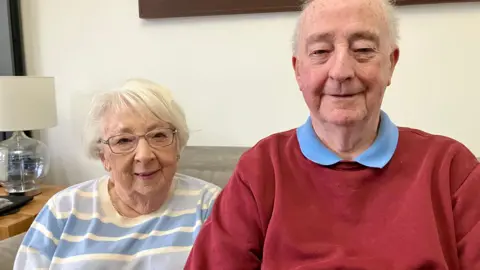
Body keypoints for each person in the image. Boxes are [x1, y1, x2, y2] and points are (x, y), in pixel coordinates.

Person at [185, 0, 480, 269]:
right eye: (321, 52)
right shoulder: (261, 169)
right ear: (298, 70)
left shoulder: (452, 169)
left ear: (391, 64)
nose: (341, 71)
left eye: (363, 50)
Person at [13, 79, 221, 269]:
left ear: (178, 145)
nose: (144, 155)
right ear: (103, 157)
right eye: (123, 140)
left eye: (158, 135)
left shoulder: (210, 206)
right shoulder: (64, 209)